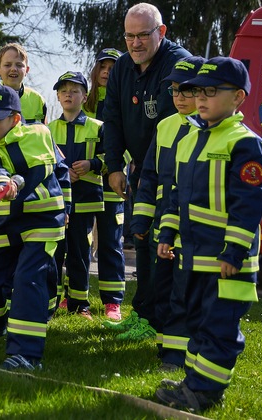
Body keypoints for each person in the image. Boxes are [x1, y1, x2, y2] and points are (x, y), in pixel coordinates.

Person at [155, 57, 262, 412]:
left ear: (237, 98)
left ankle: (205, 392)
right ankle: (194, 383)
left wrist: (233, 252)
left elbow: (248, 204)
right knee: (198, 322)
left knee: (219, 326)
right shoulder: (190, 139)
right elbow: (175, 196)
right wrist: (167, 232)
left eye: (210, 91)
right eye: (196, 91)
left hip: (226, 261)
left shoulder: (244, 143)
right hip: (194, 257)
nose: (200, 99)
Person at [0, 84, 70, 370]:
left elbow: (50, 170)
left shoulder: (41, 134)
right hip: (7, 221)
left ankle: (26, 354)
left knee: (26, 281)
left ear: (15, 119)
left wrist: (65, 207)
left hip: (43, 220)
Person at [102, 2, 191, 337]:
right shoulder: (122, 68)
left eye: (143, 35)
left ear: (161, 32)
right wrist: (114, 167)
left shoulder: (179, 65)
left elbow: (168, 131)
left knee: (164, 246)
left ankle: (164, 321)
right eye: (129, 36)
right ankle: (144, 314)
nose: (135, 43)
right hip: (141, 172)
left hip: (174, 176)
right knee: (140, 239)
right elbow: (111, 118)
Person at [129, 57, 205, 352]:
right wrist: (141, 221)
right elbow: (148, 177)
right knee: (161, 288)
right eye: (174, 90)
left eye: (185, 91)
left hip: (193, 229)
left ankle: (178, 353)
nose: (179, 98)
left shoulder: (208, 128)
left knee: (183, 292)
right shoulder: (165, 126)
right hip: (162, 225)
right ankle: (166, 347)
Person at [48, 71, 103, 321]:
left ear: (85, 96)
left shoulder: (98, 127)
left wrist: (92, 164)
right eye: (64, 91)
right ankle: (53, 300)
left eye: (75, 90)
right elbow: (43, 162)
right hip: (57, 203)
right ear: (58, 97)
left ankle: (80, 304)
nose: (69, 94)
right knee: (55, 252)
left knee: (80, 253)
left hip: (85, 201)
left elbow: (113, 158)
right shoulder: (46, 130)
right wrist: (62, 173)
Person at [83, 48, 127, 322]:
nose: (107, 72)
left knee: (111, 243)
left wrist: (114, 168)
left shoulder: (124, 103)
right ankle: (76, 295)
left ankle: (112, 301)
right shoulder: (82, 102)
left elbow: (128, 145)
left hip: (111, 184)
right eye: (103, 66)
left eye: (113, 67)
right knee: (80, 243)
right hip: (85, 186)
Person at [0, 43, 47, 124]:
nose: (13, 69)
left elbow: (44, 133)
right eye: (7, 65)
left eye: (19, 65)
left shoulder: (38, 100)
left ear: (27, 70)